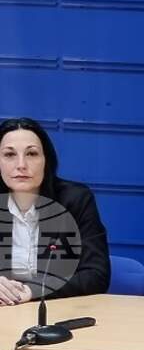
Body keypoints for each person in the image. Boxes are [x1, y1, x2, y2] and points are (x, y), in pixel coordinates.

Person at [0, 117, 110, 305]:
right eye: (9, 154)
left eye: (31, 154)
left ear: (46, 160)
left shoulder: (75, 200)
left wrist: (33, 290)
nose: (21, 165)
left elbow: (96, 275)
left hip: (58, 310)